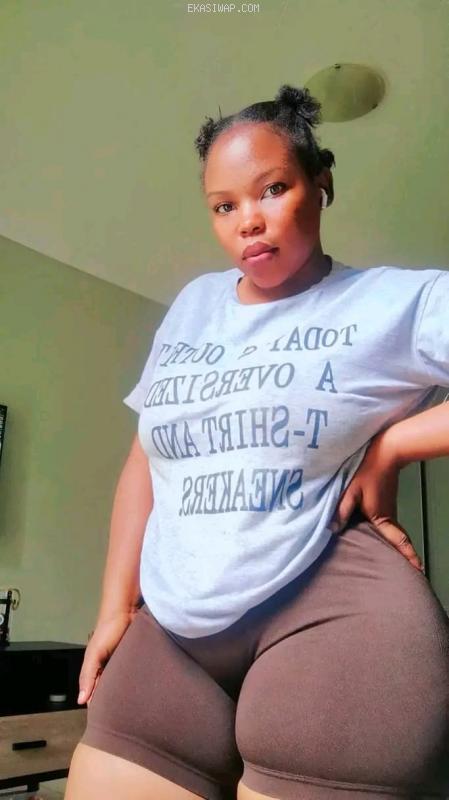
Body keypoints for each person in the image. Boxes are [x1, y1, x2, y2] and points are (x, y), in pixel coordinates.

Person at [65, 85, 449, 800]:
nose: (248, 220)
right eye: (224, 205)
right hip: (173, 636)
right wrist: (114, 607)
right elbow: (146, 458)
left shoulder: (393, 301)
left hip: (336, 617)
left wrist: (395, 443)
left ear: (321, 184)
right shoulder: (195, 306)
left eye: (272, 189)